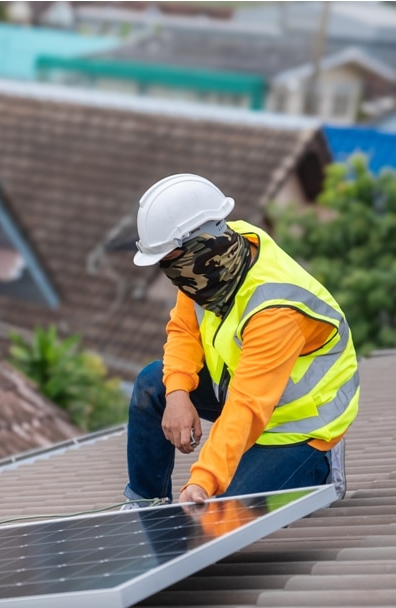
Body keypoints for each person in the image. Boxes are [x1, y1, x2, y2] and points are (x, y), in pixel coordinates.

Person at [122, 173, 359, 510]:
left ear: (202, 245)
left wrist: (203, 480)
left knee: (226, 510)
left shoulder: (275, 308)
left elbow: (248, 405)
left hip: (300, 424)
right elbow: (184, 331)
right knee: (152, 384)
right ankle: (144, 504)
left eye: (172, 260)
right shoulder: (210, 269)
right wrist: (176, 394)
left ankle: (319, 469)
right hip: (245, 388)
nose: (170, 272)